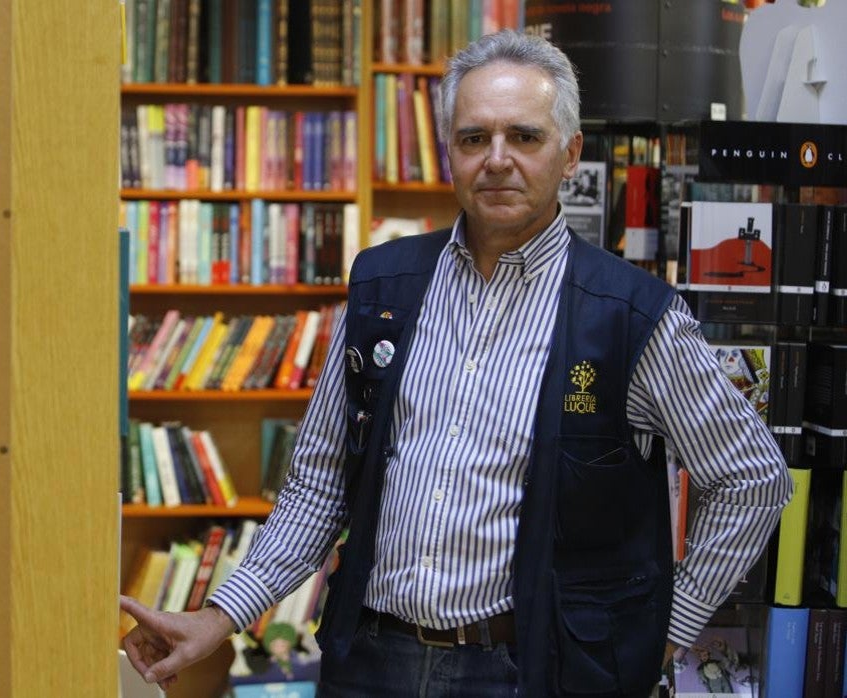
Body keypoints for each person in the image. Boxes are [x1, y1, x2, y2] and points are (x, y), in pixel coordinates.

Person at [120, 30, 791, 697]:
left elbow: (753, 479)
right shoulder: (384, 287)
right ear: (450, 153)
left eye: (524, 137)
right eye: (474, 139)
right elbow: (319, 485)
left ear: (570, 153)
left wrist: (663, 632)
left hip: (529, 673)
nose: (497, 160)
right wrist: (220, 616)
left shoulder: (632, 315)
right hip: (369, 662)